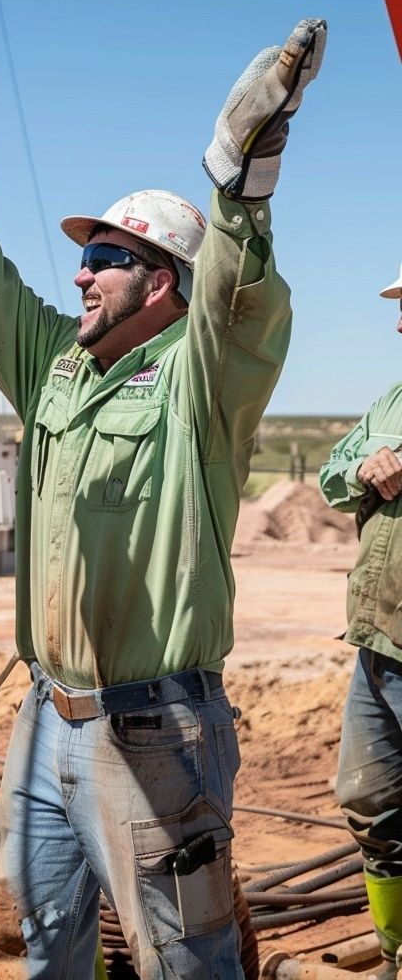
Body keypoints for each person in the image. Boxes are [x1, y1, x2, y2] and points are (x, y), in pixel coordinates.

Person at [0, 17, 326, 977]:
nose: (80, 271)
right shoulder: (55, 369)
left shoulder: (201, 382)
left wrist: (242, 186)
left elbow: (243, 301)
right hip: (43, 720)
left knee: (186, 958)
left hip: (157, 729)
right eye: (87, 253)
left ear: (165, 285)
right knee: (45, 948)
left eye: (107, 257)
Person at [320, 264, 402, 978]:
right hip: (378, 639)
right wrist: (363, 468)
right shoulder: (390, 402)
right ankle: (396, 951)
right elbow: (329, 474)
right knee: (370, 798)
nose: (400, 322)